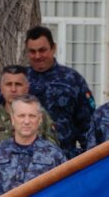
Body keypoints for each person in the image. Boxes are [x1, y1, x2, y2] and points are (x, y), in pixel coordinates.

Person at [0, 66, 59, 197]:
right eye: (8, 84)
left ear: (27, 87)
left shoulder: (42, 116)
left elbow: (54, 158)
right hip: (3, 196)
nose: (13, 89)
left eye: (18, 84)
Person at [23, 25, 95, 159]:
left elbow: (88, 128)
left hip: (63, 162)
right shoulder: (19, 81)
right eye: (32, 51)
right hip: (25, 163)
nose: (37, 56)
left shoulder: (72, 80)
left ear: (53, 48)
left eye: (42, 50)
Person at [0, 95, 65, 197]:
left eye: (32, 116)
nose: (26, 121)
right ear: (13, 119)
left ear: (40, 120)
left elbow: (63, 195)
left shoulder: (54, 154)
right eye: (21, 116)